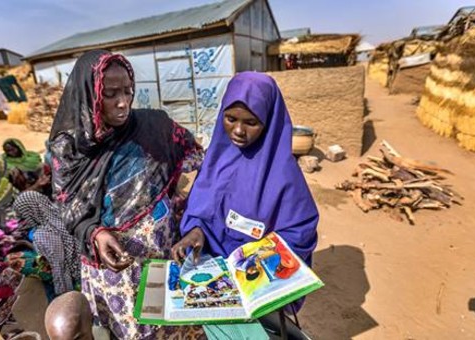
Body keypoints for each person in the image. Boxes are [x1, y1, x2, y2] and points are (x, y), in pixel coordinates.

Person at [49, 50, 204, 339]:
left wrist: (189, 209)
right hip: (114, 272)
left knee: (172, 326)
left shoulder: (154, 126)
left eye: (128, 91)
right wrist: (94, 233)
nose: (123, 103)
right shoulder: (69, 147)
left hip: (162, 254)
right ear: (90, 93)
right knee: (130, 331)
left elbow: (200, 162)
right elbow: (66, 206)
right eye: (110, 94)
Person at [172, 71, 319, 312]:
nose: (238, 130)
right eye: (230, 119)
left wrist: (255, 259)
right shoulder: (214, 161)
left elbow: (300, 230)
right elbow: (201, 208)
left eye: (251, 122)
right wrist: (196, 230)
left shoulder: (282, 175)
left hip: (254, 286)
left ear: (268, 122)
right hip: (212, 280)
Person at [13, 191, 80, 296]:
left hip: (75, 281)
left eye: (22, 215)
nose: (23, 220)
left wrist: (62, 294)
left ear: (30, 212)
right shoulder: (64, 212)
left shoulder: (41, 234)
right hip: (86, 266)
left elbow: (58, 267)